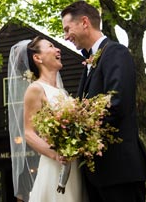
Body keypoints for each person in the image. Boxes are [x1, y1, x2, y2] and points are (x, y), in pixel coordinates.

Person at [61, 0, 146, 202]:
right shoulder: (90, 63)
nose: (65, 36)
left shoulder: (115, 52)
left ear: (84, 22)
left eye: (67, 28)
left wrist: (78, 136)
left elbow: (116, 102)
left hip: (119, 170)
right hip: (98, 175)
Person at [7, 36, 88, 202]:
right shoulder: (35, 89)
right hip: (55, 165)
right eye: (51, 46)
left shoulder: (63, 93)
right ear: (38, 57)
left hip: (75, 166)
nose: (58, 49)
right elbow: (29, 133)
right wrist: (56, 155)